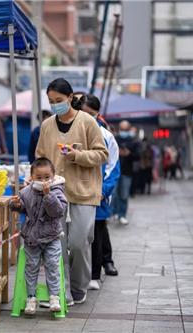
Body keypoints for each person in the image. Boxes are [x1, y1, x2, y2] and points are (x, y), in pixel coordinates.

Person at [36, 78, 108, 305]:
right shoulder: (47, 125)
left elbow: (102, 154)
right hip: (54, 194)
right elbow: (40, 156)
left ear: (70, 98)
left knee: (78, 243)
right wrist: (37, 179)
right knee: (56, 245)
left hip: (84, 192)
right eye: (51, 101)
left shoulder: (87, 122)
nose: (55, 104)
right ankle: (61, 293)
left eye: (59, 100)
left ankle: (79, 288)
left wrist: (77, 155)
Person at [73, 92, 120, 289]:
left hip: (98, 195)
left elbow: (113, 168)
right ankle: (75, 275)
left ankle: (94, 275)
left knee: (96, 236)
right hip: (74, 192)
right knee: (78, 237)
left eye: (91, 113)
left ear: (97, 113)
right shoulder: (72, 132)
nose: (87, 116)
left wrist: (103, 191)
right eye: (84, 112)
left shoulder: (106, 136)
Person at [10, 157, 67, 314]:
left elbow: (58, 211)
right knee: (31, 267)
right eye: (39, 177)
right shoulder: (27, 191)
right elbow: (23, 208)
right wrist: (16, 205)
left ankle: (54, 296)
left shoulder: (57, 190)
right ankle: (30, 297)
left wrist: (48, 196)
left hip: (52, 237)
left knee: (52, 265)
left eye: (47, 177)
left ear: (53, 176)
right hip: (32, 238)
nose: (43, 181)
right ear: (32, 177)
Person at [111, 120, 138, 225]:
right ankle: (115, 212)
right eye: (122, 129)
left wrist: (129, 154)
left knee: (124, 194)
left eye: (126, 129)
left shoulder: (133, 141)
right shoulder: (114, 139)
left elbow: (138, 156)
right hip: (115, 171)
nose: (124, 131)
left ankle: (122, 214)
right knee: (114, 194)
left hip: (127, 172)